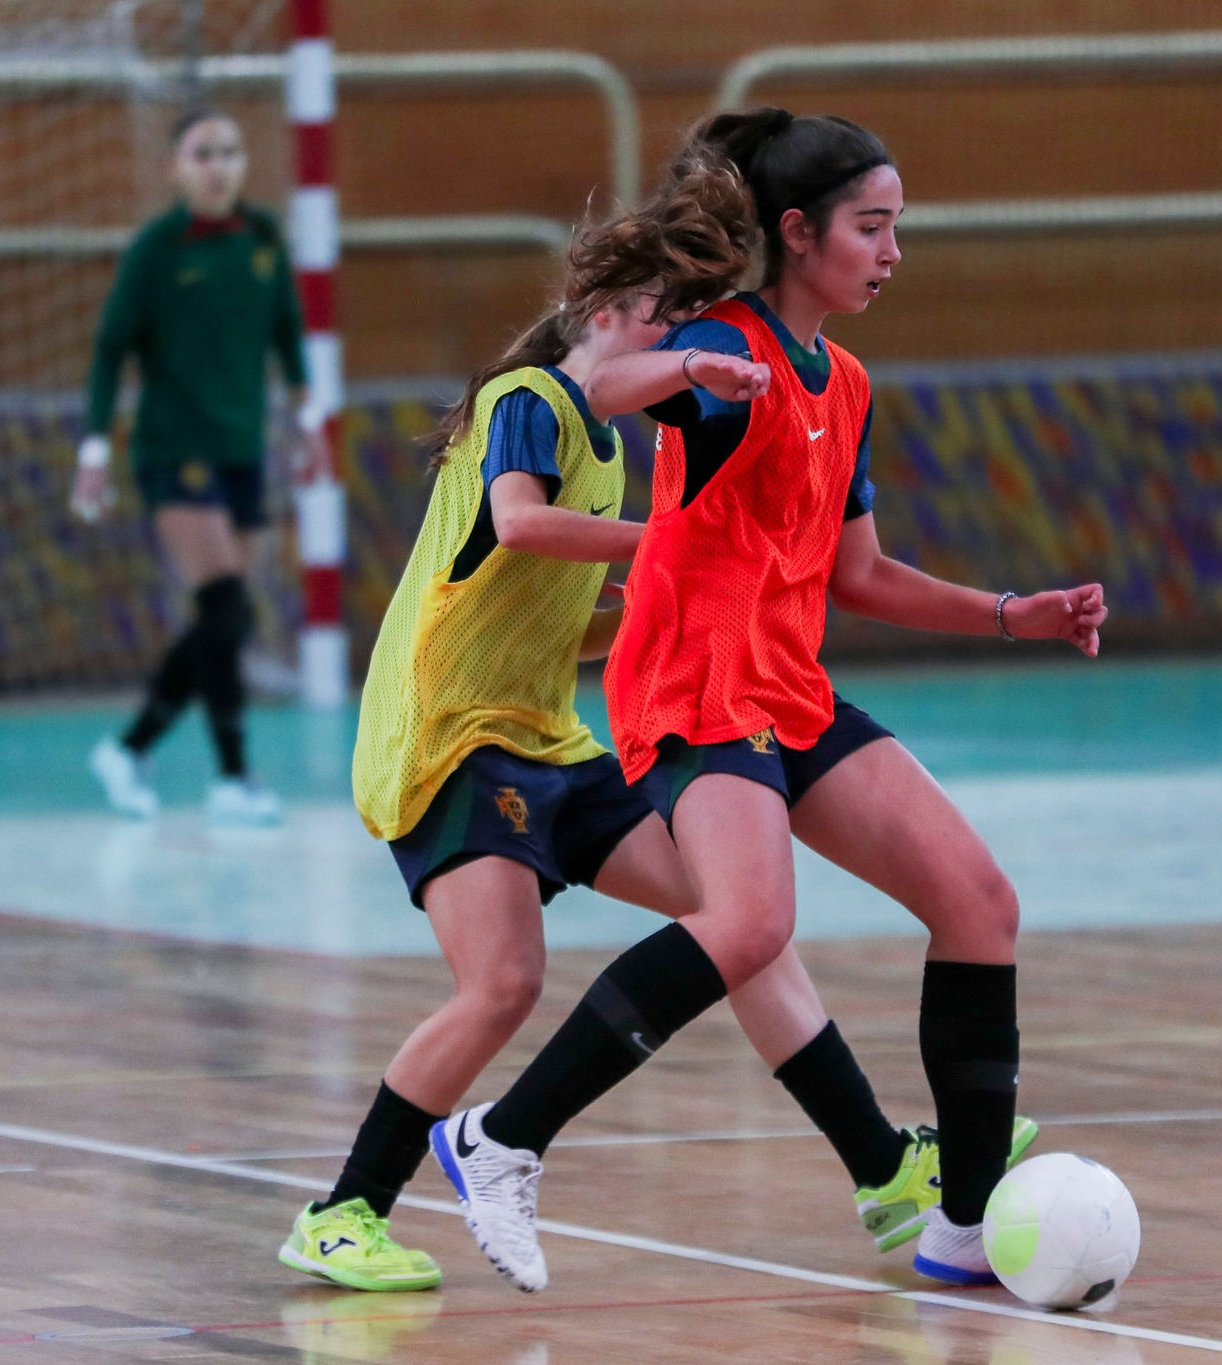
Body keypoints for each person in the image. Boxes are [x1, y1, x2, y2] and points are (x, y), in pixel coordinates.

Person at [277, 165, 1030, 1295]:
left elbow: (558, 618)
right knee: (502, 983)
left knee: (735, 921)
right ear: (598, 318)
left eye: (686, 324)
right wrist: (669, 549)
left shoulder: (609, 442)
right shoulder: (525, 402)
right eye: (659, 321)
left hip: (544, 731)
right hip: (447, 739)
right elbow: (522, 527)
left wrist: (665, 607)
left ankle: (881, 1170)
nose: (676, 340)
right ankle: (343, 1211)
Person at [432, 109, 1107, 1294]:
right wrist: (689, 364)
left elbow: (863, 576)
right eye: (871, 227)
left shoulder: (840, 380)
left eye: (898, 228)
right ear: (797, 234)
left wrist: (1015, 612)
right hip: (692, 682)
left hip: (788, 688)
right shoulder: (726, 356)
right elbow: (599, 382)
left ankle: (956, 1224)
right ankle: (501, 1139)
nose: (892, 252)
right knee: (748, 925)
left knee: (980, 905)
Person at [73, 108, 318, 826]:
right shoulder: (155, 250)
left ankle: (132, 748)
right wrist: (94, 448)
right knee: (226, 604)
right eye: (203, 153)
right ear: (175, 168)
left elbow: (288, 334)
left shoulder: (264, 238)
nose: (219, 164)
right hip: (172, 449)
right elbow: (109, 348)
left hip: (243, 448)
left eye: (231, 151)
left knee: (228, 618)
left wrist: (306, 422)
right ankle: (234, 777)